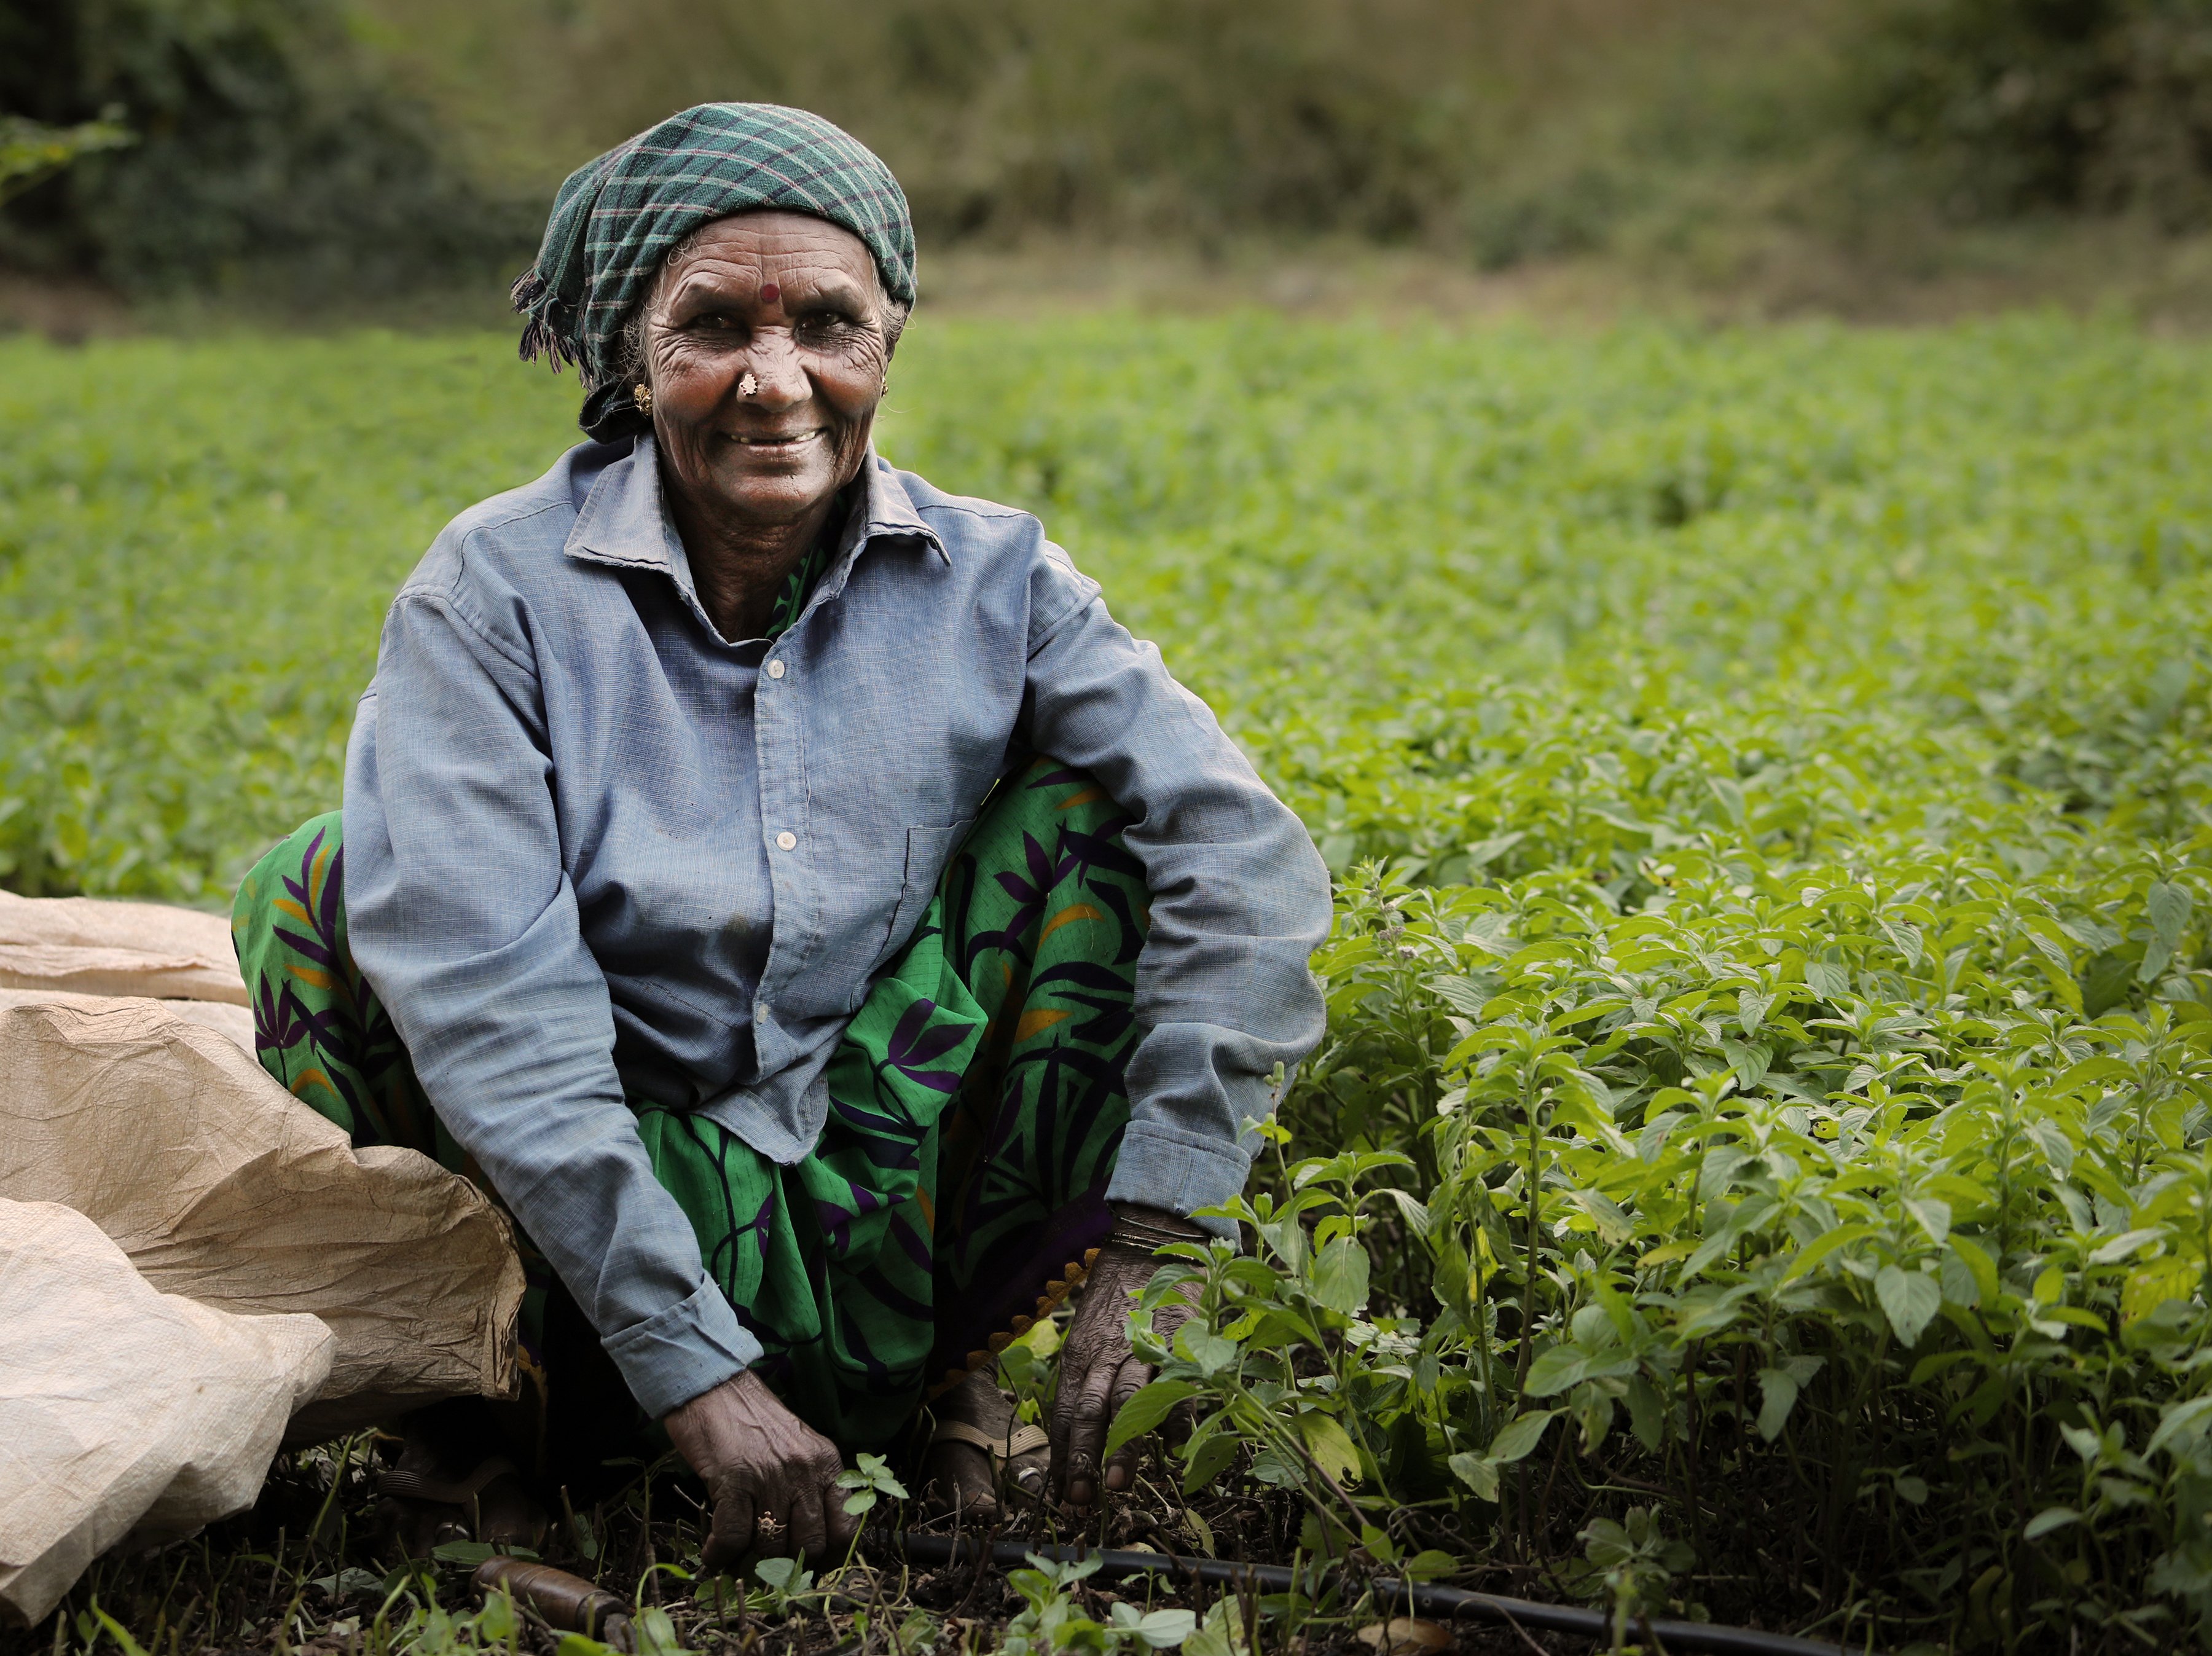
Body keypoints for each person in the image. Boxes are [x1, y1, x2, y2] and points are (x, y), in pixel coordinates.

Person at [230, 102, 1332, 1568]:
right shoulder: (490, 594)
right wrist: (689, 1360)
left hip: (877, 1190)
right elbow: (496, 1011)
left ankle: (946, 1371)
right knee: (321, 888)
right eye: (713, 328)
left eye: (828, 321)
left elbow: (1243, 852)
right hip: (579, 1232)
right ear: (635, 353)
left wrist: (1166, 1229)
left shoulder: (994, 575)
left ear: (887, 343)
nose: (776, 381)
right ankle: (472, 1443)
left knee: (1101, 836)